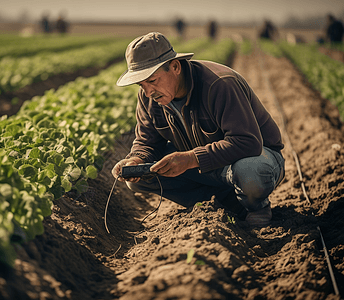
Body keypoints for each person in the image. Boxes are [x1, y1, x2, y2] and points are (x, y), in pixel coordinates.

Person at [112, 32, 285, 227]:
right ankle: (227, 205)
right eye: (141, 84)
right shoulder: (148, 98)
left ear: (175, 67)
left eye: (152, 81)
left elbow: (248, 142)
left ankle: (257, 209)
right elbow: (147, 141)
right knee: (138, 179)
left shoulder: (219, 84)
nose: (148, 91)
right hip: (206, 165)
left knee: (251, 172)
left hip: (257, 156)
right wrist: (137, 159)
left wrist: (190, 159)